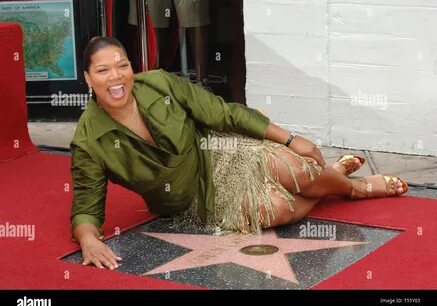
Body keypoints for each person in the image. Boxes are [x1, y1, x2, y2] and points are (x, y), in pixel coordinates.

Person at [71, 37, 408, 270]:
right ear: (88, 78)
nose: (116, 77)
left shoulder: (159, 83)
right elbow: (86, 206)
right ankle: (335, 174)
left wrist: (291, 139)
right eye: (103, 70)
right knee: (279, 208)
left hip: (219, 152)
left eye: (122, 65)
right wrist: (88, 240)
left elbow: (223, 113)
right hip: (194, 200)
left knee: (297, 171)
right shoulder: (89, 140)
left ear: (132, 67)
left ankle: (355, 188)